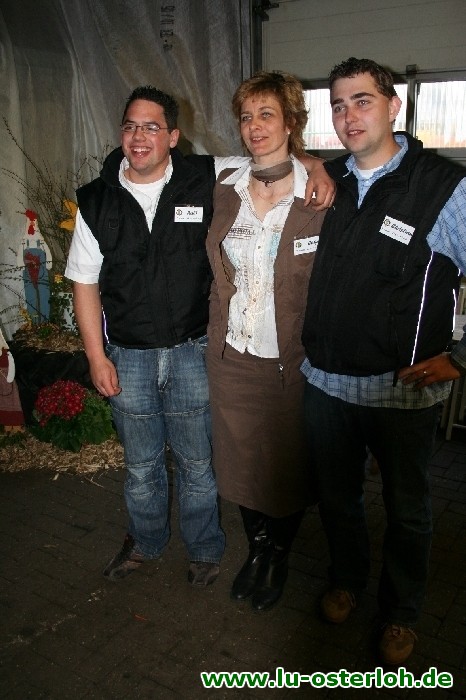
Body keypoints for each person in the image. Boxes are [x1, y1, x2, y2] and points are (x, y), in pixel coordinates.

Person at [65, 85, 333, 588]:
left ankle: (205, 549)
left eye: (151, 127)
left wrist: (318, 166)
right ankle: (145, 542)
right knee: (141, 466)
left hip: (192, 351)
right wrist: (97, 357)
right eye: (130, 126)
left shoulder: (205, 176)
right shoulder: (96, 201)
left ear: (173, 136)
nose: (138, 137)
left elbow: (269, 154)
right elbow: (84, 282)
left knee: (197, 463)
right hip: (129, 356)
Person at [301, 57, 466, 664]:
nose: (349, 116)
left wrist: (462, 358)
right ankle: (347, 580)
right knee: (337, 499)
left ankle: (401, 613)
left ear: (394, 106)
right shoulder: (331, 179)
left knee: (409, 512)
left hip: (400, 390)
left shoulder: (444, 188)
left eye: (362, 101)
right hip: (325, 383)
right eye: (338, 105)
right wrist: (313, 162)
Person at [205, 71, 327, 612]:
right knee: (241, 464)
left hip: (291, 360)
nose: (254, 126)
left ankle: (278, 554)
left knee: (286, 467)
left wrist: (318, 165)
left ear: (291, 122)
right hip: (233, 353)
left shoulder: (319, 193)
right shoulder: (224, 183)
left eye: (267, 114)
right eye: (246, 116)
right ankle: (257, 549)